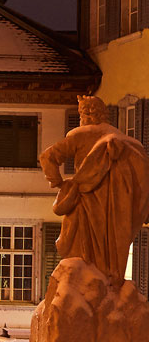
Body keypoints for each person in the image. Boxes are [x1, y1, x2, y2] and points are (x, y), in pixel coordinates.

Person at [39, 94, 149, 282]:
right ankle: (108, 284)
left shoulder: (80, 135)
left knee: (80, 251)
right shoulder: (127, 143)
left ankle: (87, 288)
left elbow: (47, 157)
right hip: (115, 205)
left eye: (83, 112)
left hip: (86, 202)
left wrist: (58, 182)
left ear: (85, 115)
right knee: (111, 247)